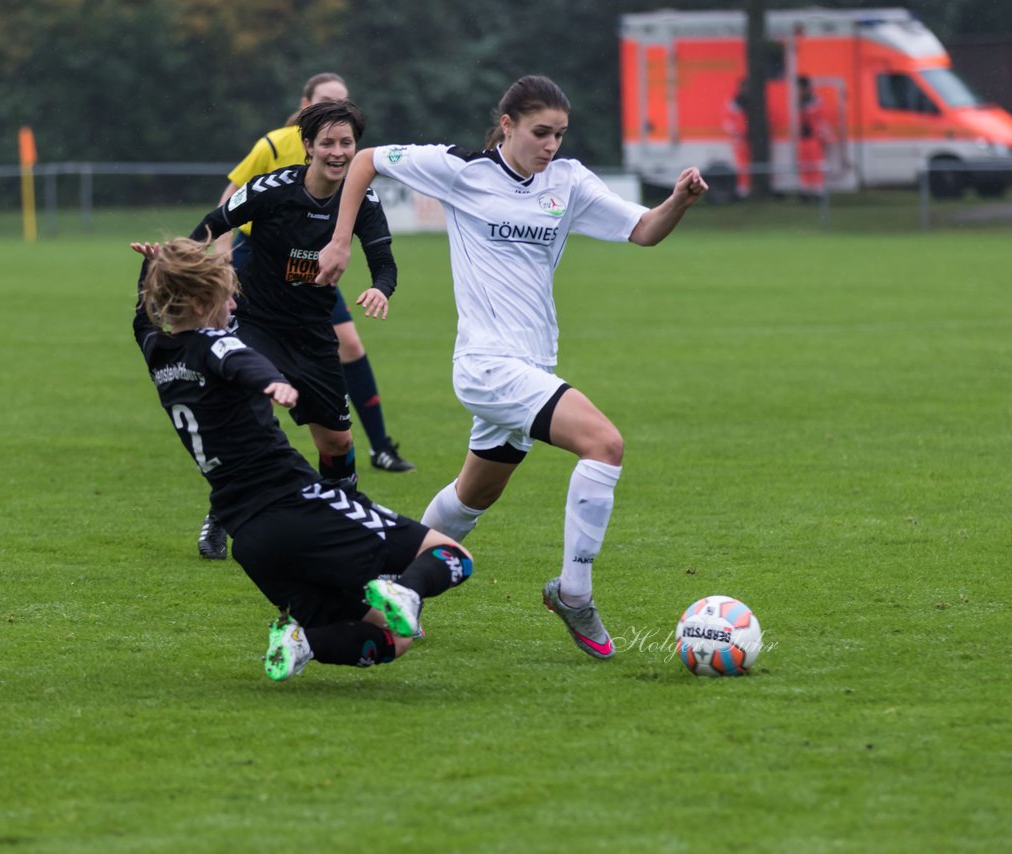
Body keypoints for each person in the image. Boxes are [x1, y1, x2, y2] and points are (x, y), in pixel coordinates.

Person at [316, 75, 707, 660]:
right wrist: (342, 240)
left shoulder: (568, 182)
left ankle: (387, 582)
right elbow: (367, 159)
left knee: (471, 499)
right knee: (604, 444)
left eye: (559, 134)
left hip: (532, 365)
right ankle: (573, 593)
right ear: (507, 125)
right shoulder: (461, 169)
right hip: (487, 366)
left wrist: (679, 200)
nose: (550, 145)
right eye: (540, 133)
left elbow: (644, 230)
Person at [130, 236, 472, 680]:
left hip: (248, 538)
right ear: (198, 305)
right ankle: (404, 590)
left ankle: (302, 641)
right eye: (225, 299)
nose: (232, 309)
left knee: (394, 640)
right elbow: (239, 361)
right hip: (297, 504)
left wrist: (152, 272)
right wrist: (273, 383)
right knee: (453, 557)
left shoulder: (157, 351)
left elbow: (142, 319)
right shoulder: (216, 344)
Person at [196, 74, 415, 561]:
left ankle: (345, 509)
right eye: (329, 143)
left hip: (313, 334)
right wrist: (179, 261)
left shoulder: (361, 199)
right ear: (308, 146)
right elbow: (212, 224)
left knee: (336, 439)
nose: (339, 153)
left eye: (348, 144)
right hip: (257, 322)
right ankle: (222, 513)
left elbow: (383, 260)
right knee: (250, 419)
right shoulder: (272, 189)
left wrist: (380, 289)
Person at [797, 76, 831, 201]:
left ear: (806, 88)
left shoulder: (816, 102)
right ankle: (805, 191)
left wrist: (824, 138)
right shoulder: (797, 102)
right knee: (803, 166)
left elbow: (821, 120)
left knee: (817, 165)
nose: (798, 91)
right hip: (802, 139)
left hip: (814, 138)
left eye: (800, 88)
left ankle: (819, 191)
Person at [724, 78, 751, 200]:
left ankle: (747, 189)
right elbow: (727, 123)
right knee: (742, 165)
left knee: (747, 165)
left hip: (750, 138)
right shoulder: (733, 104)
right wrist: (737, 133)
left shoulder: (749, 103)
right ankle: (743, 191)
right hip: (740, 139)